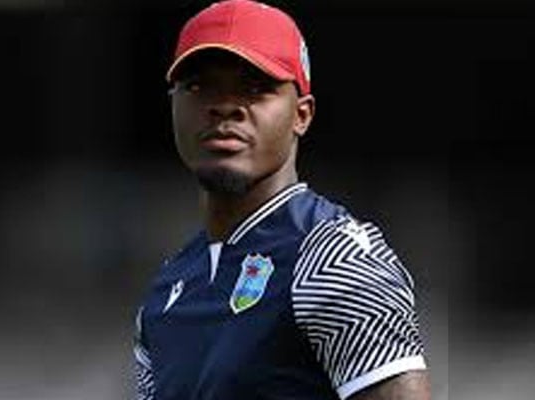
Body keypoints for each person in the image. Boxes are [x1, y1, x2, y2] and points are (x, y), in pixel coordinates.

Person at [133, 1, 431, 399]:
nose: (225, 107)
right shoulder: (167, 288)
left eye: (255, 88)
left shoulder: (333, 257)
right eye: (199, 86)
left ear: (301, 115)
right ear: (173, 104)